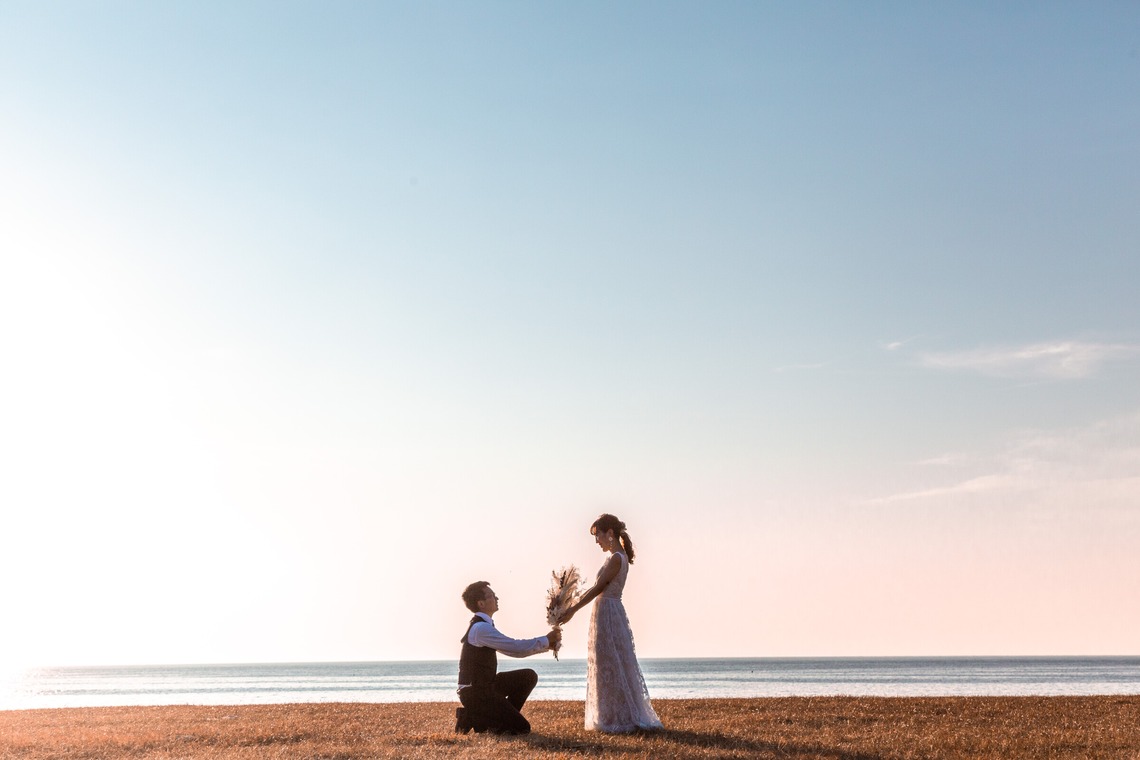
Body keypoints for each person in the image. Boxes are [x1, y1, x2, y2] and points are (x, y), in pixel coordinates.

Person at [559, 514, 663, 733]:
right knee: (609, 662)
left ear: (610, 533)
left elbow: (598, 587)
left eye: (598, 536)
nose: (597, 541)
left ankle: (618, 716)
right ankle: (612, 713)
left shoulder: (616, 558)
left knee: (610, 662)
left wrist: (572, 610)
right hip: (608, 610)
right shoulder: (618, 556)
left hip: (608, 611)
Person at [455, 581, 561, 735]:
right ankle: (473, 717)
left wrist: (547, 645)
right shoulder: (481, 628)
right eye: (492, 596)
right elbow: (514, 647)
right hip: (475, 693)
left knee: (528, 676)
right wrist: (545, 639)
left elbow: (514, 652)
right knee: (522, 728)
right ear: (481, 603)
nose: (497, 598)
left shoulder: (484, 626)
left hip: (485, 687)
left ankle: (490, 719)